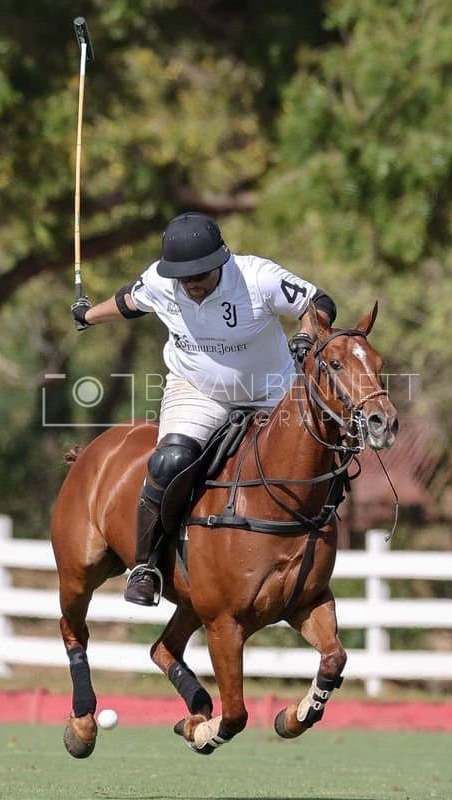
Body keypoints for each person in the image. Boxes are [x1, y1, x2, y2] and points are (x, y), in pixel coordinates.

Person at [70, 211, 337, 606]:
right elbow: (129, 301)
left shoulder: (256, 278)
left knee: (320, 452)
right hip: (197, 390)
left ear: (222, 261)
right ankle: (146, 566)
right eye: (185, 278)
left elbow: (319, 303)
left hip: (271, 390)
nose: (192, 285)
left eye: (201, 275)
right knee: (168, 462)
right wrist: (88, 315)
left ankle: (314, 545)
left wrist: (304, 336)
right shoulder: (162, 282)